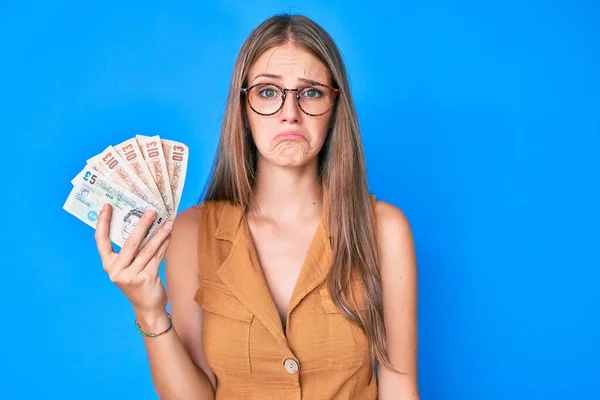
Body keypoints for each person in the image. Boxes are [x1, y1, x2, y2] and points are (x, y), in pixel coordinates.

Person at [94, 13, 419, 399]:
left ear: (335, 107)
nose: (289, 111)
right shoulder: (193, 231)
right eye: (268, 92)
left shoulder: (384, 228)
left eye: (310, 92)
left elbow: (399, 386)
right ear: (243, 106)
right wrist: (148, 311)